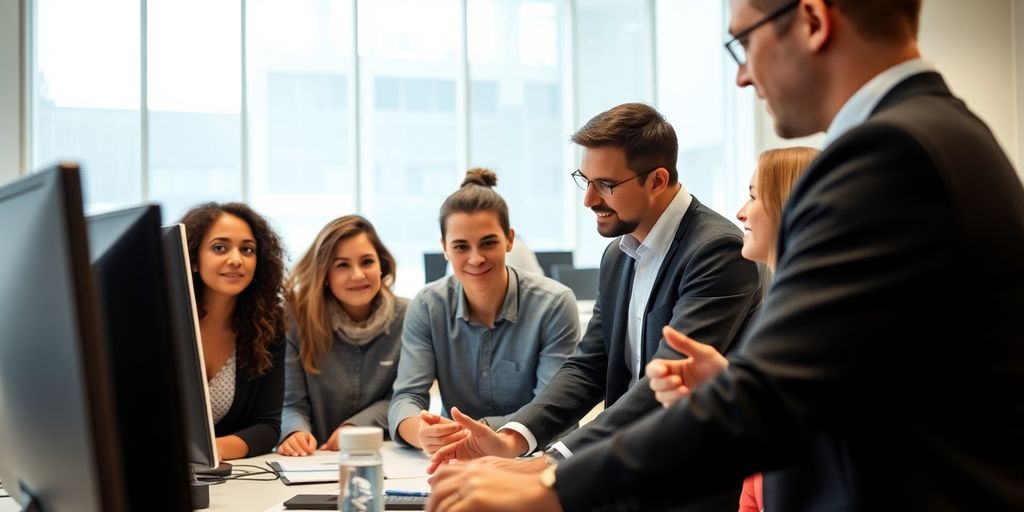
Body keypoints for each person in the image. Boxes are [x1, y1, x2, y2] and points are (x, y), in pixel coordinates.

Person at [426, 0, 1024, 511]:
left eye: (743, 42)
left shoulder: (886, 155)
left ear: (812, 19)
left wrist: (553, 483)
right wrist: (731, 380)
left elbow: (771, 398)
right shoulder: (943, 136)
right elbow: (854, 378)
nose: (741, 78)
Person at [429, 103, 762, 512]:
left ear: (657, 180)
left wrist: (552, 463)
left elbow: (662, 385)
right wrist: (515, 437)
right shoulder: (618, 255)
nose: (588, 199)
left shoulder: (716, 251)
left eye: (604, 184)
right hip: (624, 478)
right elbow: (589, 365)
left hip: (691, 487)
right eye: (584, 181)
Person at [647, 146, 818, 512]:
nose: (741, 212)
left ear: (792, 206)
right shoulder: (779, 309)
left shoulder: (813, 324)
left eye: (754, 196)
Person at [387, 168, 580, 453]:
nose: (475, 259)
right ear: (444, 248)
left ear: (510, 240)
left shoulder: (553, 304)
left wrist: (477, 433)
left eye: (488, 243)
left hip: (527, 458)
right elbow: (406, 397)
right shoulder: (428, 305)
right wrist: (422, 432)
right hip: (452, 455)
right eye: (460, 246)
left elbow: (553, 409)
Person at [277, 215, 409, 456]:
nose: (358, 275)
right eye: (342, 265)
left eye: (367, 262)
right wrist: (295, 432)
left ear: (382, 266)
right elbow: (290, 403)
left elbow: (403, 398)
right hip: (312, 459)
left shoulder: (408, 316)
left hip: (385, 456)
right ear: (325, 274)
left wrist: (356, 426)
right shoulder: (295, 318)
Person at [180, 202, 287, 460]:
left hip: (221, 476)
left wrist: (208, 453)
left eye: (247, 250)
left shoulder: (267, 326)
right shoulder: (159, 321)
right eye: (220, 248)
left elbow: (267, 427)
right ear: (193, 257)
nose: (236, 259)